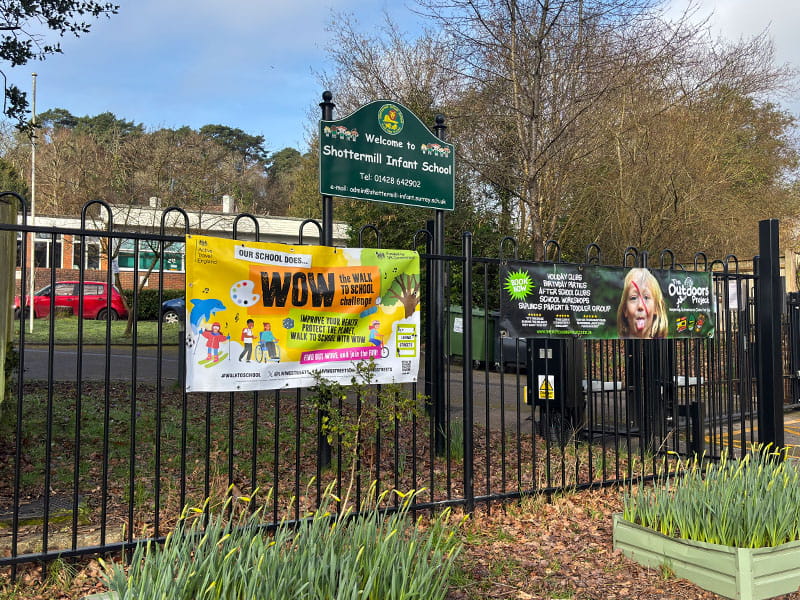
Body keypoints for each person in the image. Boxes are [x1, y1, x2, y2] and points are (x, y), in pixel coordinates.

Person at [616, 268, 668, 339]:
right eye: (633, 298)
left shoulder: (664, 346)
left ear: (656, 308)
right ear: (625, 309)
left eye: (646, 298)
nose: (640, 305)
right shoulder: (618, 346)